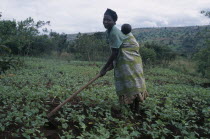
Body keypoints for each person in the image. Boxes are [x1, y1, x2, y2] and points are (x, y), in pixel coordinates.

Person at [100, 8, 148, 112]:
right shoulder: (109, 32)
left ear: (114, 22)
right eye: (104, 19)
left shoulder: (114, 32)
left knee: (134, 82)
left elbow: (115, 52)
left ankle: (136, 108)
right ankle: (132, 107)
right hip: (124, 59)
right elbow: (116, 50)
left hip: (130, 59)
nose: (106, 22)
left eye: (108, 20)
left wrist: (104, 68)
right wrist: (111, 65)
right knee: (127, 83)